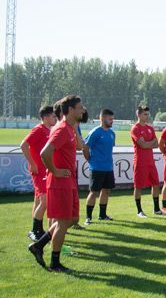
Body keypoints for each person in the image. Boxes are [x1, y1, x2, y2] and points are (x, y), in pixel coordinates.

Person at [28, 95, 85, 272]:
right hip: (60, 181)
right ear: (69, 110)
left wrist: (75, 128)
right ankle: (55, 262)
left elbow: (79, 147)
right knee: (63, 221)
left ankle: (39, 245)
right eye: (79, 107)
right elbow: (45, 153)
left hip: (68, 181)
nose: (82, 110)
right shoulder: (61, 129)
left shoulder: (68, 128)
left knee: (72, 219)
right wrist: (55, 171)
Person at [20, 105, 57, 241]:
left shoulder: (49, 130)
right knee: (45, 201)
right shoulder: (38, 130)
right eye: (53, 116)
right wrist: (33, 163)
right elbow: (23, 145)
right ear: (46, 117)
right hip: (39, 170)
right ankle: (37, 230)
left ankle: (34, 229)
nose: (55, 118)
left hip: (45, 169)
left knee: (38, 200)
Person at [83, 108, 116, 224]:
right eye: (110, 119)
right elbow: (85, 147)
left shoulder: (112, 133)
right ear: (102, 118)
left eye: (113, 119)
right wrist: (90, 160)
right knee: (94, 192)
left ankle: (102, 215)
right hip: (96, 168)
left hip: (108, 168)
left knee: (106, 191)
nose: (112, 121)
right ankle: (88, 217)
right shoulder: (95, 132)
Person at [131, 105, 162, 217]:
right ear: (138, 114)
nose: (147, 116)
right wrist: (150, 143)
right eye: (145, 114)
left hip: (150, 162)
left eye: (148, 114)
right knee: (138, 186)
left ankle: (156, 209)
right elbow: (142, 144)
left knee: (156, 184)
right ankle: (139, 210)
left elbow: (156, 143)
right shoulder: (135, 128)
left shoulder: (150, 128)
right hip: (140, 162)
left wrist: (147, 144)